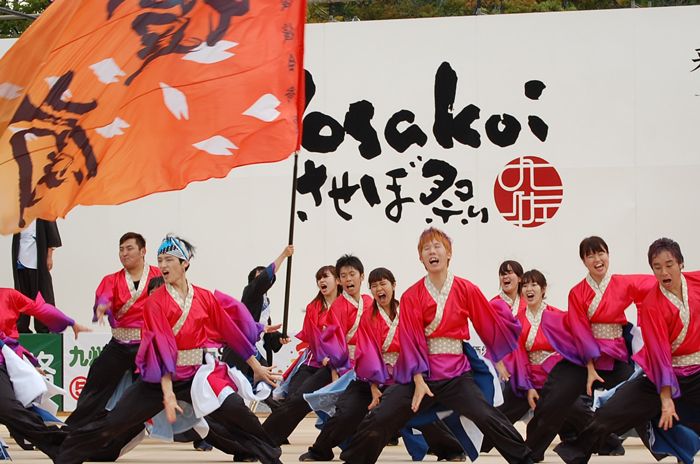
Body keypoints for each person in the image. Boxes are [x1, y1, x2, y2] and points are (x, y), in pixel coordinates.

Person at [54, 235, 282, 464]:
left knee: (237, 410)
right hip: (159, 381)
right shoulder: (154, 302)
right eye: (160, 259)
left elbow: (230, 331)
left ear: (185, 263)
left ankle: (271, 455)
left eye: (169, 259)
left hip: (196, 375)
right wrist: (168, 392)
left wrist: (256, 367)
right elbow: (162, 347)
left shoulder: (204, 297)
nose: (162, 265)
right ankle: (63, 452)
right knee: (115, 421)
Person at [338, 228, 531, 464]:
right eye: (426, 248)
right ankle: (354, 460)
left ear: (449, 253)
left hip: (456, 375)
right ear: (421, 258)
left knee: (487, 416)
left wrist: (502, 347)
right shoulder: (411, 296)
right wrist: (418, 381)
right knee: (381, 416)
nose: (432, 251)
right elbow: (411, 340)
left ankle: (525, 459)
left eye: (438, 246)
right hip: (421, 376)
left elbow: (487, 321)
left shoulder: (466, 289)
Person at [555, 238, 700, 464]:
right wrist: (665, 397)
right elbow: (660, 353)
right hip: (660, 375)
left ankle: (681, 449)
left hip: (696, 373)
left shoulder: (696, 282)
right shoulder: (653, 304)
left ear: (681, 263)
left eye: (669, 264)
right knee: (609, 414)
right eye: (657, 267)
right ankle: (574, 454)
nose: (663, 272)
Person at [525, 236, 656, 461]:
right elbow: (580, 330)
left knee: (640, 397)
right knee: (553, 396)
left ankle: (667, 447)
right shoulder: (577, 293)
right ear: (584, 261)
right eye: (590, 255)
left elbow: (655, 288)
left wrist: (647, 322)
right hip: (583, 360)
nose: (597, 259)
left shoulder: (623, 283)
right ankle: (528, 453)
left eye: (601, 253)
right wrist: (589, 367)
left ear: (608, 255)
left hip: (615, 357)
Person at [263, 255, 373, 447]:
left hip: (361, 367)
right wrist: (329, 364)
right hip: (325, 363)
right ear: (340, 279)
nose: (348, 278)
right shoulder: (320, 307)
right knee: (299, 398)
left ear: (361, 277)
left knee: (356, 406)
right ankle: (264, 437)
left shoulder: (368, 303)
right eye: (343, 275)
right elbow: (316, 337)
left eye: (352, 274)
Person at [65, 232, 162, 431]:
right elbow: (104, 296)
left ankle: (201, 433)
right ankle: (73, 429)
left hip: (149, 344)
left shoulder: (158, 276)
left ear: (143, 251)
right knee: (96, 382)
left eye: (129, 248)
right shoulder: (112, 279)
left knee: (176, 385)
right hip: (120, 345)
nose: (124, 253)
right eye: (121, 249)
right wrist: (102, 306)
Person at [0, 293, 89, 459]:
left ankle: (60, 443)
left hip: (3, 361)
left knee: (8, 407)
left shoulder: (7, 296)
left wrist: (70, 322)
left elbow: (39, 308)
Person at [222, 245, 294, 375]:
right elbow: (262, 280)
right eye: (259, 274)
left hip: (259, 350)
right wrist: (283, 255)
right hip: (243, 349)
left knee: (264, 386)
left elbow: (266, 331)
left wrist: (279, 338)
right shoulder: (249, 293)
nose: (264, 276)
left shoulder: (265, 302)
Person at [12, 219, 61, 333]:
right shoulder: (19, 212)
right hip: (21, 260)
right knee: (22, 294)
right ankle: (21, 328)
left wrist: (49, 256)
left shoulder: (44, 211)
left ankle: (44, 328)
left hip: (37, 261)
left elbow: (51, 235)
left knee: (42, 295)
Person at [492, 260, 526, 382]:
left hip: (525, 360)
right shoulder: (493, 305)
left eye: (509, 273)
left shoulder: (528, 302)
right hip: (503, 361)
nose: (505, 276)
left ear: (520, 278)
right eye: (502, 274)